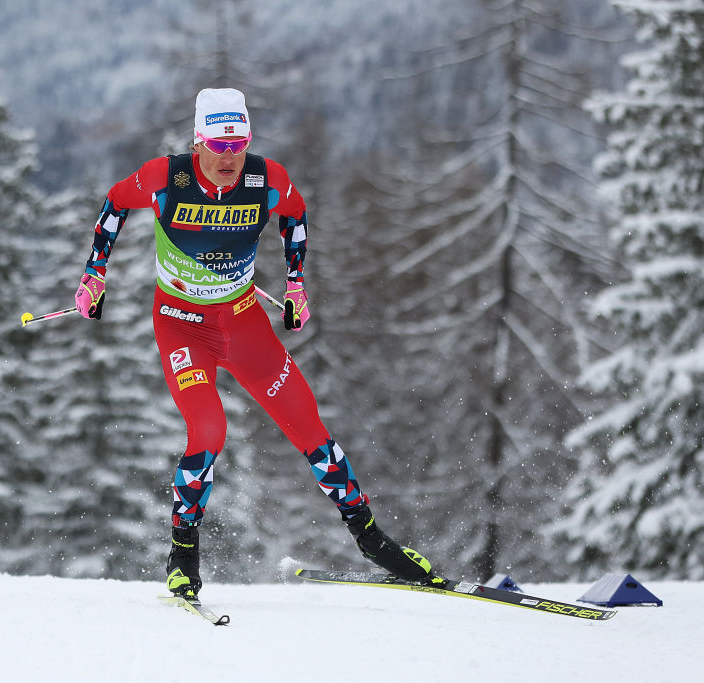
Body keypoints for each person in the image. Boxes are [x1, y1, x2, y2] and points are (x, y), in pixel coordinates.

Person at [74, 88, 438, 599]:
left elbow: (296, 213)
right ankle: (182, 557)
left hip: (243, 323)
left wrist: (294, 283)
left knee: (309, 426)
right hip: (182, 325)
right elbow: (115, 202)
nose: (228, 156)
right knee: (209, 429)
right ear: (197, 141)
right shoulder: (166, 178)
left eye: (238, 143)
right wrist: (94, 274)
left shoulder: (265, 179)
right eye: (218, 144)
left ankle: (372, 539)